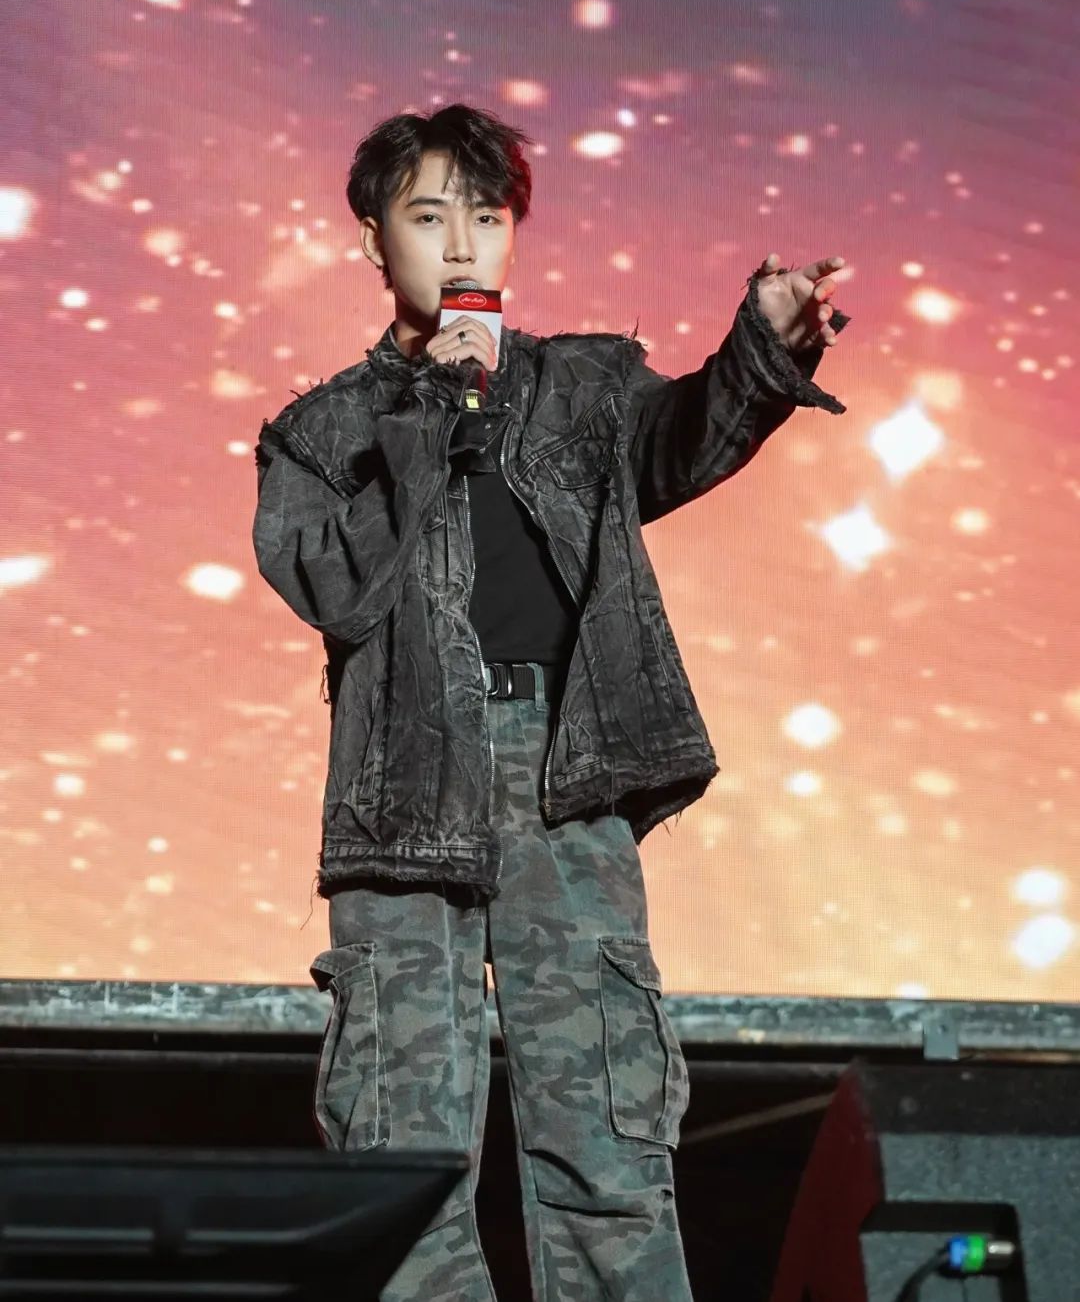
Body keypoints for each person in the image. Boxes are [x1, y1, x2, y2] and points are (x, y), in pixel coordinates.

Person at [252, 102, 850, 1301]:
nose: (461, 245)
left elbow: (683, 438)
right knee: (401, 1152)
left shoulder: (583, 386)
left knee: (607, 1137)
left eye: (486, 217)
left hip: (562, 773)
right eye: (429, 217)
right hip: (406, 797)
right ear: (373, 238)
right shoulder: (322, 433)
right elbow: (328, 583)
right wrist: (430, 419)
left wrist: (765, 348)